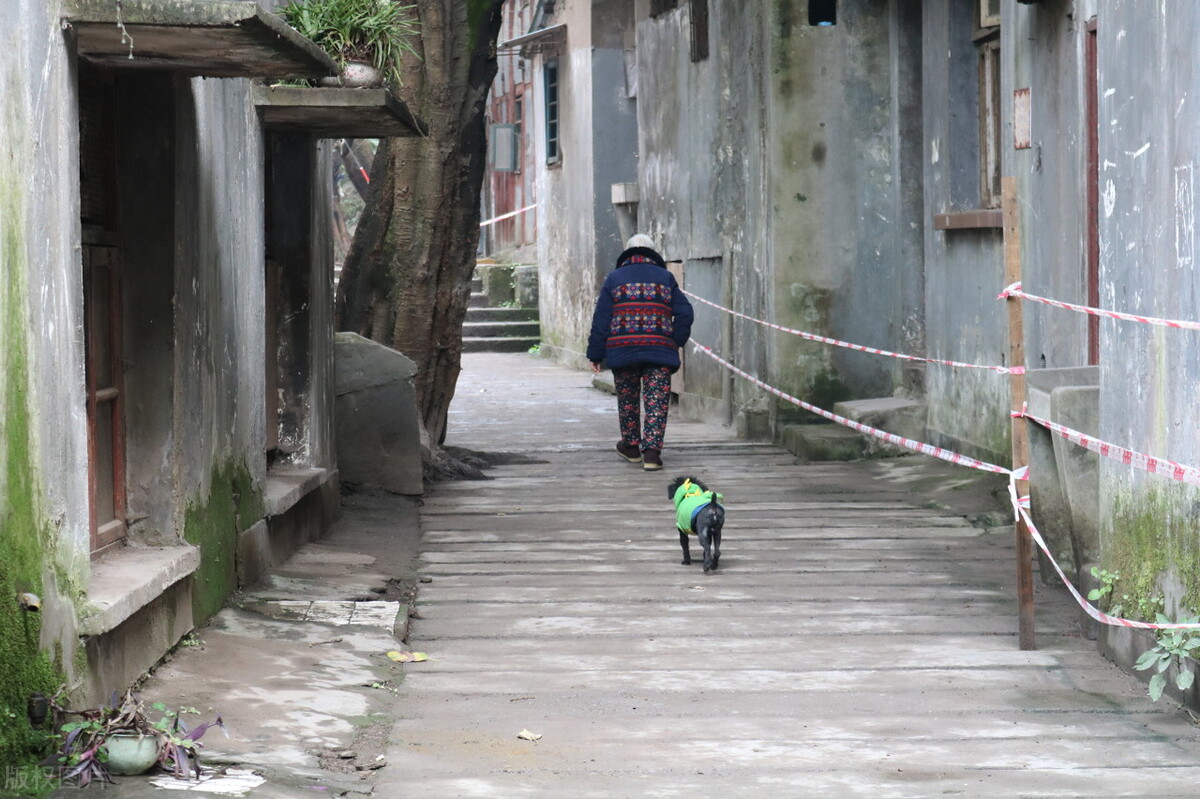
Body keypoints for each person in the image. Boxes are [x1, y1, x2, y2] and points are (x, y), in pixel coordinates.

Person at [587, 234, 694, 471]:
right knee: (657, 400)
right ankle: (652, 453)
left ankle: (631, 446)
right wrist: (674, 340)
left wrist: (595, 353)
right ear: (652, 254)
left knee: (628, 400)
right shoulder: (666, 278)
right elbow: (685, 312)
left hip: (622, 351)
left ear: (627, 254)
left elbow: (602, 319)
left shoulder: (614, 279)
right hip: (659, 351)